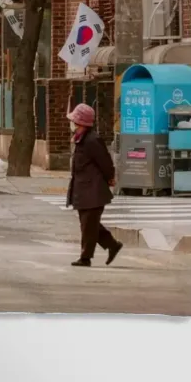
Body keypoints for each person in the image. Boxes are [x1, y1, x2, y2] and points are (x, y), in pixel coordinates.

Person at [65, 102, 122, 267]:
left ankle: (85, 258)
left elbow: (105, 161)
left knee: (88, 225)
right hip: (83, 189)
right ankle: (112, 244)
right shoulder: (80, 139)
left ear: (82, 123)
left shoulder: (92, 140)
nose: (73, 125)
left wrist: (110, 177)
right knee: (90, 224)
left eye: (75, 122)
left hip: (93, 189)